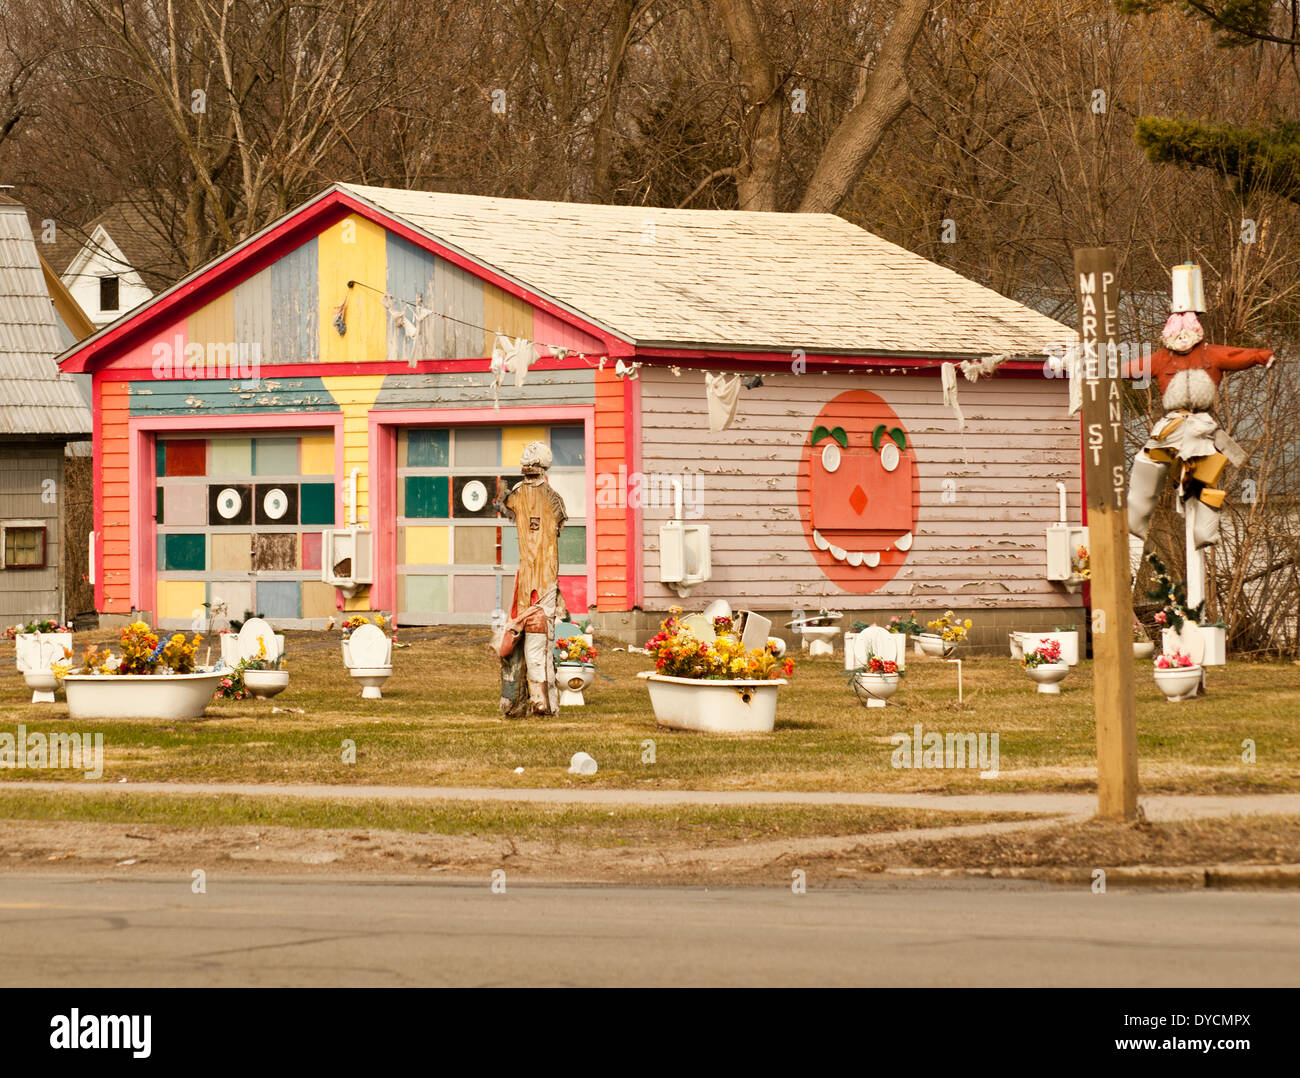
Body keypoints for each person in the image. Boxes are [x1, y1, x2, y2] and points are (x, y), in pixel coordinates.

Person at [1125, 265, 1273, 550]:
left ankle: (1203, 532)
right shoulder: (1160, 359)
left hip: (1200, 427)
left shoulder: (1210, 354)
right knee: (1146, 464)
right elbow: (1131, 368)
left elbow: (1238, 355)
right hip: (1170, 426)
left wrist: (1260, 355)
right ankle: (1136, 522)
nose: (1181, 337)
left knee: (1202, 479)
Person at [495, 441, 569, 717]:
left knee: (519, 643)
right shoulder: (553, 498)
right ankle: (541, 703)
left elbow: (505, 505)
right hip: (543, 582)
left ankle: (518, 703)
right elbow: (558, 524)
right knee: (538, 644)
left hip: (527, 582)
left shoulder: (516, 495)